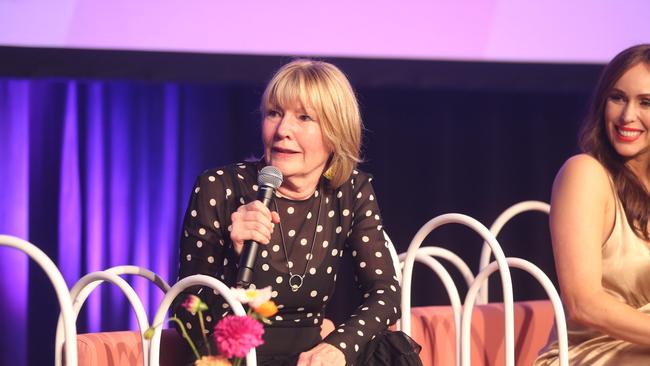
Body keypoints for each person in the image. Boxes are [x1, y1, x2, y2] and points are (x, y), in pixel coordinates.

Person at [173, 59, 401, 366]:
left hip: (311, 359)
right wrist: (233, 256)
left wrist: (338, 346)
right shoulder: (220, 188)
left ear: (335, 132)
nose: (283, 130)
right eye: (274, 113)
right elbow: (188, 316)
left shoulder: (350, 191)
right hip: (234, 358)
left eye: (304, 117)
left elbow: (385, 293)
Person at [535, 44, 650, 365]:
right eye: (617, 98)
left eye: (646, 103)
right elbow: (583, 303)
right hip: (591, 354)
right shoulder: (585, 173)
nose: (627, 115)